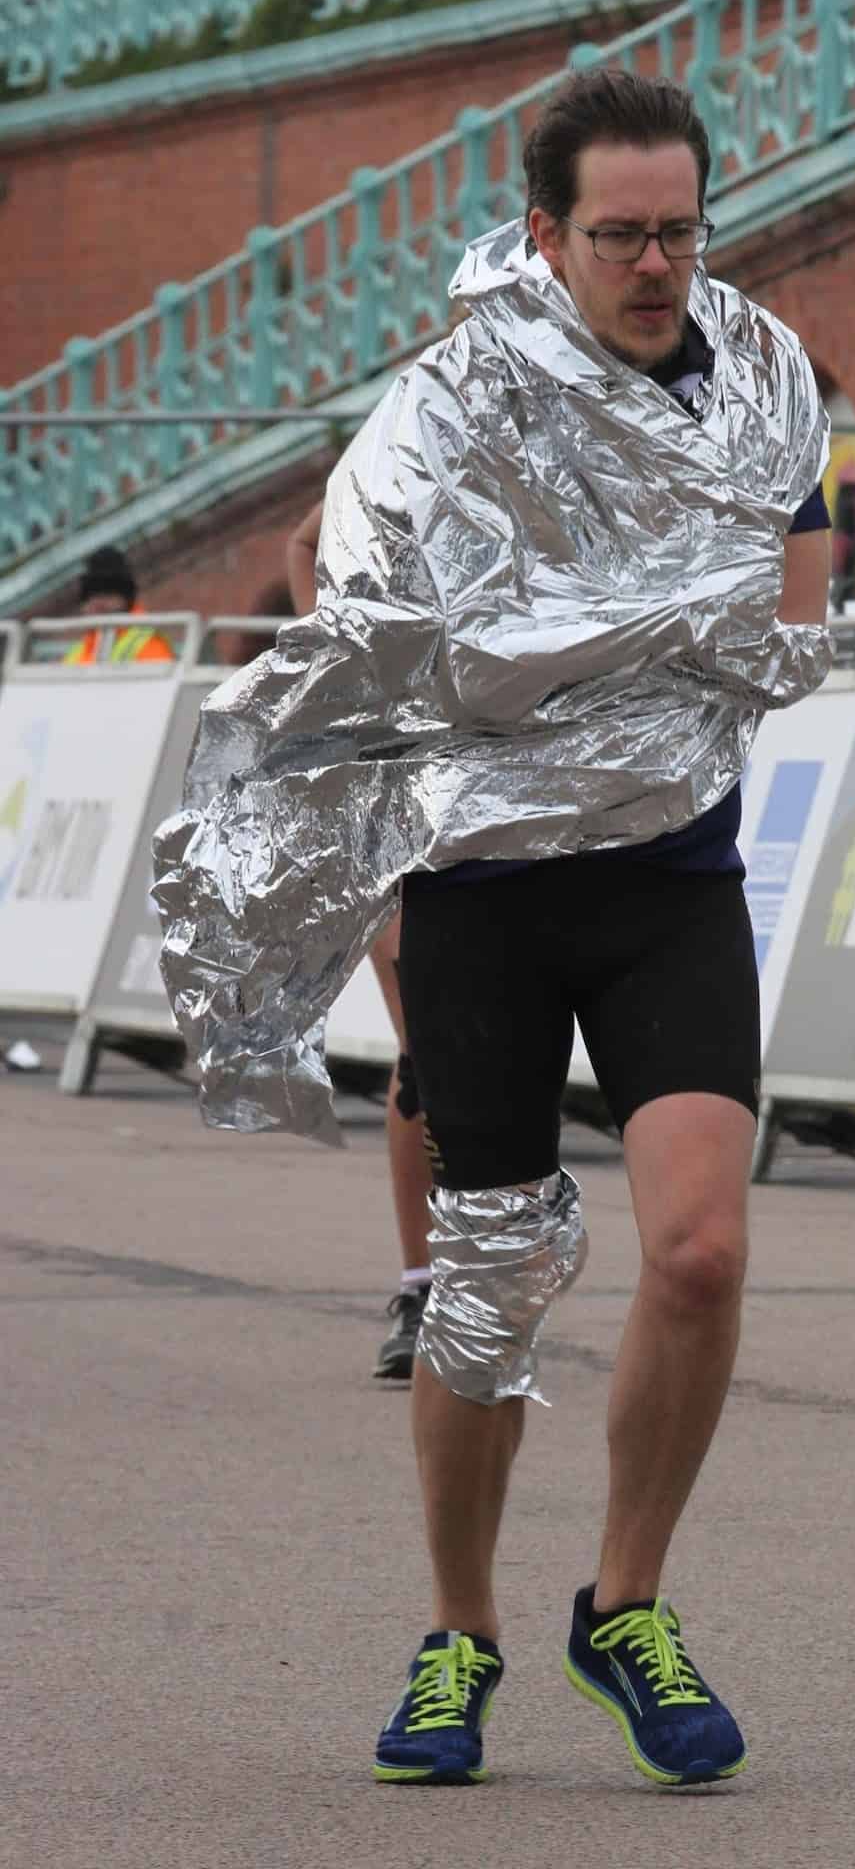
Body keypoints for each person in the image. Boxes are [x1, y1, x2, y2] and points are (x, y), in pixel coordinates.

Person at [153, 68, 832, 1792]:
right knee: (488, 1285)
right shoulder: (450, 406)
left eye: (681, 228)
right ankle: (459, 1633)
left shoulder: (759, 376)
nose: (657, 263)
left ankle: (629, 1603)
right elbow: (382, 637)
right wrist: (628, 649)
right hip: (482, 895)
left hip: (670, 874)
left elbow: (790, 597)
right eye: (620, 235)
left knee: (700, 1252)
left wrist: (672, 641)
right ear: (545, 234)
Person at [286, 503, 435, 1379]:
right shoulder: (404, 439)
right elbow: (302, 539)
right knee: (426, 1048)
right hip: (396, 793)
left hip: (503, 789)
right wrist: (327, 646)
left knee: (491, 1053)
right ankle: (424, 1286)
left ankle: (491, 1269)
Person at [62, 546, 175, 664]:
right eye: (90, 596)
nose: (97, 603)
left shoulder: (149, 645)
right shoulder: (76, 653)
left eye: (108, 593)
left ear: (126, 598)